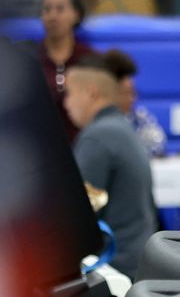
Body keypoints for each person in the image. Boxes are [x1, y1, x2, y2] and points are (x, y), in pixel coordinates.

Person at [66, 57, 158, 278]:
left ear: (91, 92)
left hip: (115, 266)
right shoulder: (121, 129)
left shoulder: (98, 137)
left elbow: (79, 214)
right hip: (137, 260)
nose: (66, 103)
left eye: (69, 93)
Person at [35, 0, 96, 142]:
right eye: (46, 9)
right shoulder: (30, 57)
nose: (52, 16)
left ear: (76, 14)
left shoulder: (89, 59)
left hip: (82, 148)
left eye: (60, 9)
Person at [100, 48, 168, 157]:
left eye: (133, 92)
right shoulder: (96, 123)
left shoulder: (139, 118)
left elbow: (158, 145)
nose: (132, 98)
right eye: (125, 93)